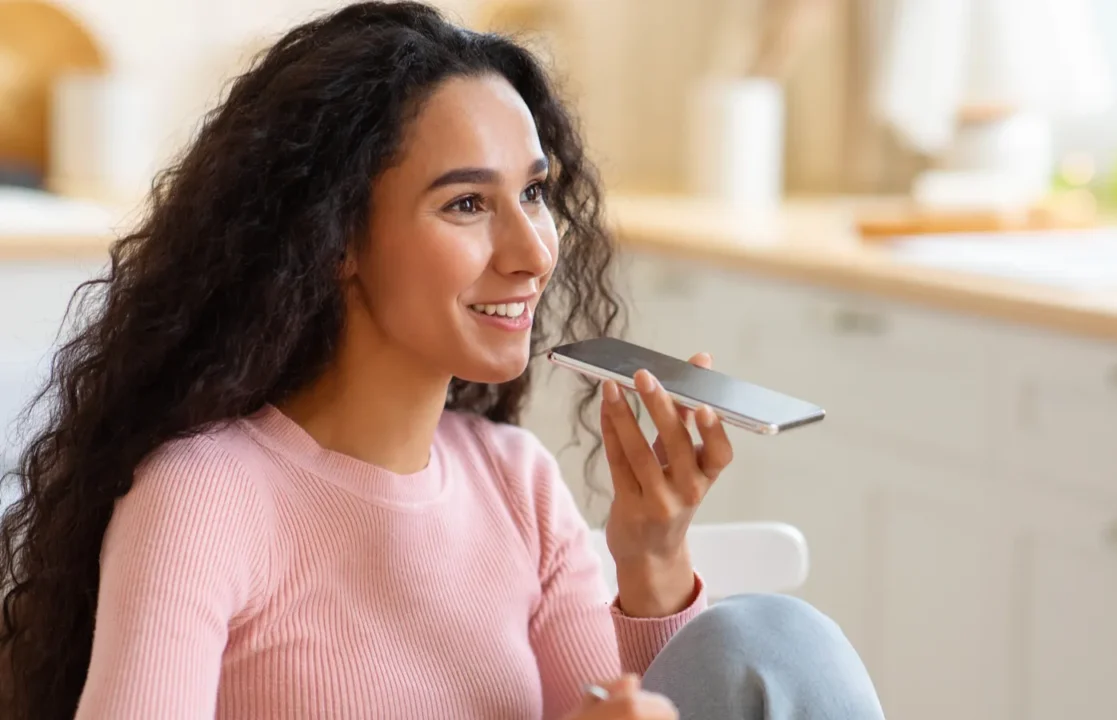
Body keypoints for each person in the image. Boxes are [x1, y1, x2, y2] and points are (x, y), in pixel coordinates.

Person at [0, 3, 885, 719]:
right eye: (467, 203)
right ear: (337, 236)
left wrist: (652, 562)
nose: (535, 252)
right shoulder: (205, 497)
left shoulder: (517, 485)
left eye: (533, 193)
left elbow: (615, 706)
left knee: (771, 643)